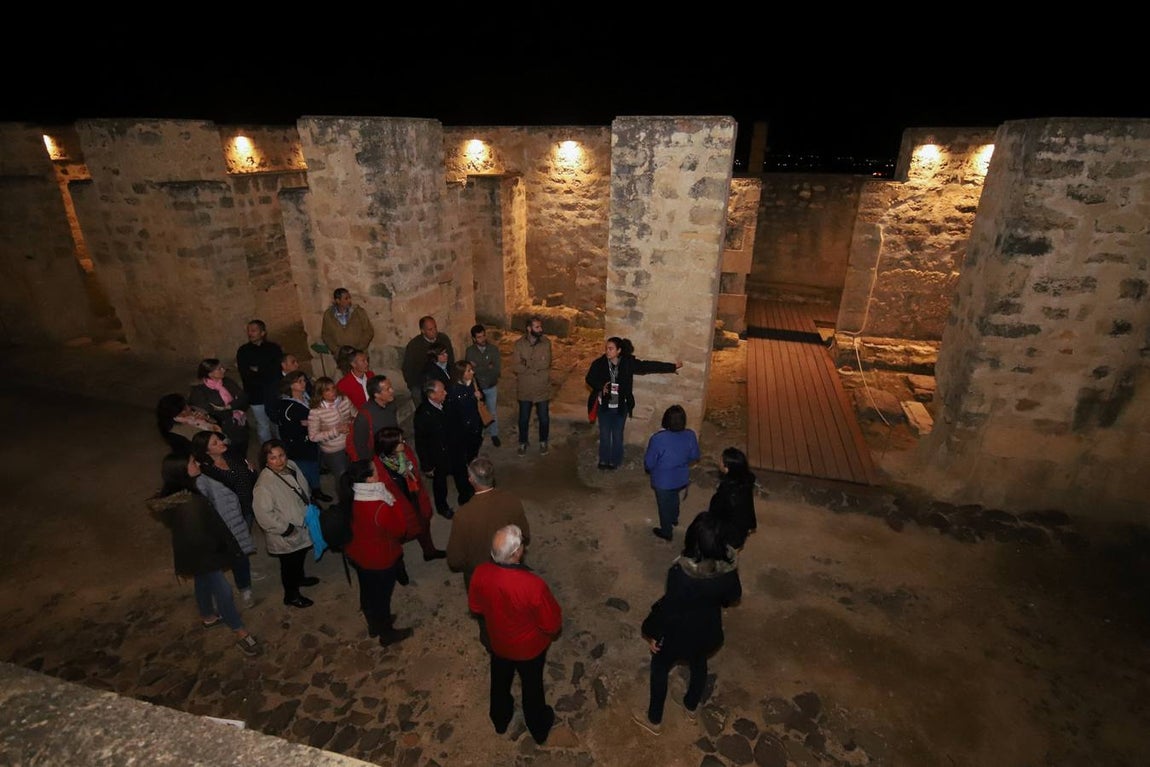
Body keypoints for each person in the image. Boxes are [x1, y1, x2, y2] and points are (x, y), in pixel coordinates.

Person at [633, 511, 742, 736]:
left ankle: (654, 719)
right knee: (699, 664)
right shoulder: (728, 569)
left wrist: (651, 631)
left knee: (660, 667)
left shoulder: (680, 573)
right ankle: (691, 706)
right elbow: (733, 596)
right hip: (706, 631)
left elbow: (669, 609)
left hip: (676, 634)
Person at [149, 454, 259, 657]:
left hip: (193, 555)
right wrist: (223, 549)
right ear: (182, 471)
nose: (197, 464)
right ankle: (240, 632)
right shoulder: (191, 504)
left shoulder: (178, 498)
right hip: (204, 555)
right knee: (224, 591)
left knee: (202, 579)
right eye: (192, 462)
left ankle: (207, 615)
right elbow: (203, 534)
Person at [468, 524, 561, 745]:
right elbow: (552, 625)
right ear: (517, 552)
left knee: (499, 680)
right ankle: (538, 728)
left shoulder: (480, 573)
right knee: (532, 687)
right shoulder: (533, 585)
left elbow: (476, 607)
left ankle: (500, 719)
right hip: (528, 649)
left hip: (498, 642)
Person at [342, 459, 421, 647]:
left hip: (359, 554)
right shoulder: (380, 506)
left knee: (367, 591)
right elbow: (400, 530)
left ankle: (374, 624)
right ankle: (386, 632)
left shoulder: (352, 495)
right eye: (375, 471)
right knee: (382, 597)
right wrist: (394, 504)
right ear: (369, 479)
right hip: (380, 559)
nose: (379, 473)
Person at [585, 337, 682, 471]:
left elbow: (647, 366)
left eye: (611, 348)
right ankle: (603, 459)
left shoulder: (627, 363)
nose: (607, 351)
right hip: (605, 407)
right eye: (606, 348)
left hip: (620, 407)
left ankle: (615, 461)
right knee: (605, 434)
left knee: (617, 435)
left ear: (618, 351)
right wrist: (601, 386)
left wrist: (671, 367)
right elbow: (589, 378)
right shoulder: (599, 363)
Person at [186, 446, 257, 608]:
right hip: (221, 528)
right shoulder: (205, 477)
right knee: (228, 564)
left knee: (241, 555)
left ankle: (244, 585)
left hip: (237, 518)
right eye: (192, 462)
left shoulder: (229, 458)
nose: (196, 463)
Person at [252, 439, 319, 608]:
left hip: (302, 523)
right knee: (289, 565)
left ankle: (300, 578)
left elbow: (302, 487)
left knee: (300, 555)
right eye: (273, 458)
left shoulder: (292, 465)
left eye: (281, 455)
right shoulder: (264, 485)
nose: (279, 461)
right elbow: (264, 515)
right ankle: (291, 595)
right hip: (286, 533)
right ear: (265, 460)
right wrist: (286, 529)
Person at [446, 457, 530, 592]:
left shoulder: (463, 515)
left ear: (471, 480)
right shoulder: (512, 500)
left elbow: (454, 560)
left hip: (480, 577)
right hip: (510, 572)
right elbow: (525, 534)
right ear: (493, 477)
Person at [372, 426, 446, 562]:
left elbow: (415, 473)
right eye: (401, 442)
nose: (404, 443)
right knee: (398, 536)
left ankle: (429, 552)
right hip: (398, 507)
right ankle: (399, 566)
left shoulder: (405, 452)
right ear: (390, 447)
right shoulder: (377, 467)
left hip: (415, 498)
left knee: (423, 526)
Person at [412, 378, 470, 519]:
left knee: (461, 475)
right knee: (440, 483)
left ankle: (465, 497)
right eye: (442, 391)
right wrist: (427, 465)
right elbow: (421, 442)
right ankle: (442, 507)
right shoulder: (423, 414)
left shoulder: (448, 403)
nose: (445, 393)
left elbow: (459, 424)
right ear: (432, 395)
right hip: (438, 455)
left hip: (455, 449)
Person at [644, 405, 701, 542]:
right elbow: (695, 455)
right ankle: (674, 519)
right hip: (681, 477)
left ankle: (666, 531)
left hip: (662, 481)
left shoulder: (658, 439)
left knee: (663, 506)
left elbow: (649, 463)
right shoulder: (690, 435)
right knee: (674, 497)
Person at [272, 370, 329, 503]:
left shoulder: (306, 397)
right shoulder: (287, 406)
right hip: (299, 445)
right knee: (304, 471)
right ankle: (308, 498)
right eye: (299, 381)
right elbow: (289, 428)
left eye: (304, 381)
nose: (304, 384)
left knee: (314, 466)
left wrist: (310, 423)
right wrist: (306, 424)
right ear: (291, 385)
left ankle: (317, 490)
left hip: (312, 439)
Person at [190, 429, 258, 533]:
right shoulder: (208, 472)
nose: (221, 443)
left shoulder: (231, 453)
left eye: (219, 439)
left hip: (252, 500)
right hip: (237, 511)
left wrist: (251, 471)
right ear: (207, 451)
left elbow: (248, 469)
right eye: (215, 443)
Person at [188, 358, 250, 458]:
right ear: (210, 374)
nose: (223, 370)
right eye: (219, 368)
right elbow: (205, 411)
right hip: (220, 429)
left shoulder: (227, 382)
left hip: (239, 424)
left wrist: (228, 407)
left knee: (242, 450)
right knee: (227, 455)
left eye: (222, 367)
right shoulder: (199, 391)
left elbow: (243, 397)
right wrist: (229, 408)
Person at [235, 319, 283, 445]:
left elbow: (277, 370)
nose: (250, 333)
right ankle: (267, 452)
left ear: (263, 332)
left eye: (253, 330)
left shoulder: (273, 348)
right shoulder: (243, 351)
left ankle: (282, 449)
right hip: (255, 394)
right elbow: (246, 373)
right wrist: (263, 370)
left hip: (273, 392)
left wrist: (258, 369)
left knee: (278, 423)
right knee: (262, 425)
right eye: (248, 331)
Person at [512, 316, 552, 456]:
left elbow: (545, 363)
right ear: (529, 329)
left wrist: (526, 363)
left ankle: (543, 441)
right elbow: (516, 366)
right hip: (525, 388)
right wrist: (534, 366)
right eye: (537, 327)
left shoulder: (546, 343)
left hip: (541, 387)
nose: (540, 329)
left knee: (544, 418)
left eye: (540, 326)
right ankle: (523, 442)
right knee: (523, 418)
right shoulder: (518, 345)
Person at [307, 376, 355, 488]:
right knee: (342, 478)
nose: (332, 392)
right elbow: (313, 436)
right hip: (334, 451)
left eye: (333, 388)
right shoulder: (316, 412)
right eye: (327, 390)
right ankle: (345, 502)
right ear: (320, 393)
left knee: (355, 474)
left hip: (351, 443)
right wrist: (336, 431)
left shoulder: (344, 400)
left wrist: (352, 423)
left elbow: (355, 415)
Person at [707, 447, 758, 550]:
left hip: (730, 535)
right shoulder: (744, 482)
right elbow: (748, 506)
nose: (718, 461)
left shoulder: (728, 492)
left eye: (721, 460)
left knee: (725, 558)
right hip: (740, 530)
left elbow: (717, 511)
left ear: (727, 468)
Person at [403, 315, 455, 407]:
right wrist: (412, 385)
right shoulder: (414, 346)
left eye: (435, 327)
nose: (434, 331)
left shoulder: (443, 339)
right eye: (430, 329)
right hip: (421, 381)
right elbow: (408, 367)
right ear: (423, 331)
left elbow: (450, 359)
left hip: (442, 377)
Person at [465, 323, 502, 448]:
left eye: (483, 336)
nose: (482, 339)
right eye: (479, 337)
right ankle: (479, 435)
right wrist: (487, 366)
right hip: (477, 386)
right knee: (478, 411)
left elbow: (496, 369)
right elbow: (470, 370)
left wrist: (478, 367)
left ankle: (494, 434)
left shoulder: (493, 349)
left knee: (492, 411)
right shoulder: (470, 351)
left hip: (491, 385)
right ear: (474, 339)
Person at [349, 375, 399, 462]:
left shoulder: (391, 404)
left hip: (395, 451)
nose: (392, 391)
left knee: (409, 471)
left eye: (391, 387)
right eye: (388, 389)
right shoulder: (364, 417)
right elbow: (361, 447)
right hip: (379, 459)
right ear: (377, 394)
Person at [156, 393, 222, 457]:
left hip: (220, 436)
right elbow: (197, 450)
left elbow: (218, 420)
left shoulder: (194, 409)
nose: (188, 408)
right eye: (184, 409)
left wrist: (207, 417)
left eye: (186, 405)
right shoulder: (176, 432)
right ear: (175, 413)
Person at [445, 359, 485, 466]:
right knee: (465, 450)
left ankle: (473, 461)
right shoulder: (452, 390)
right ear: (461, 374)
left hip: (475, 423)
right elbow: (453, 411)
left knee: (475, 444)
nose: (473, 372)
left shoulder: (474, 382)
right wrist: (472, 396)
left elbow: (482, 398)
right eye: (469, 371)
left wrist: (480, 396)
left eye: (471, 370)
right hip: (462, 427)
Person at [321, 287, 375, 355]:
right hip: (341, 356)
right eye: (346, 298)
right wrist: (337, 350)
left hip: (359, 353)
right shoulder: (329, 315)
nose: (349, 300)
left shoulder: (358, 312)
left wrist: (358, 348)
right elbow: (326, 335)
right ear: (338, 300)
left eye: (349, 298)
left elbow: (369, 331)